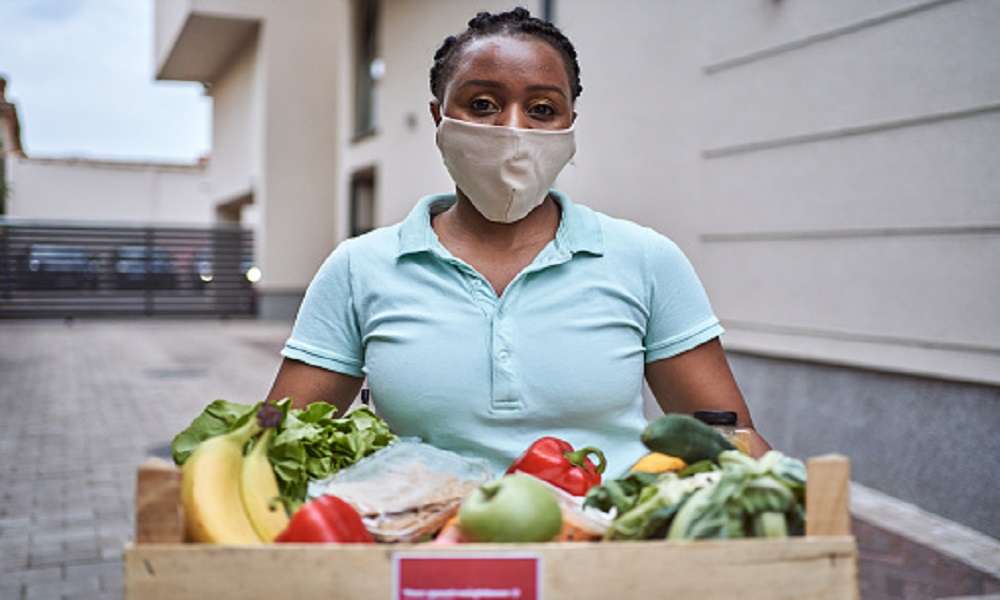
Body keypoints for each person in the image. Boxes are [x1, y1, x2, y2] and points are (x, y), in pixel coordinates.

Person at [267, 8, 771, 476]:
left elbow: (725, 439)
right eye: (482, 104)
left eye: (542, 108)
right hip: (419, 549)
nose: (512, 128)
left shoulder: (646, 260)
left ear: (570, 122)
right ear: (439, 116)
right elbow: (276, 445)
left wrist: (797, 499)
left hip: (609, 549)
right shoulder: (360, 267)